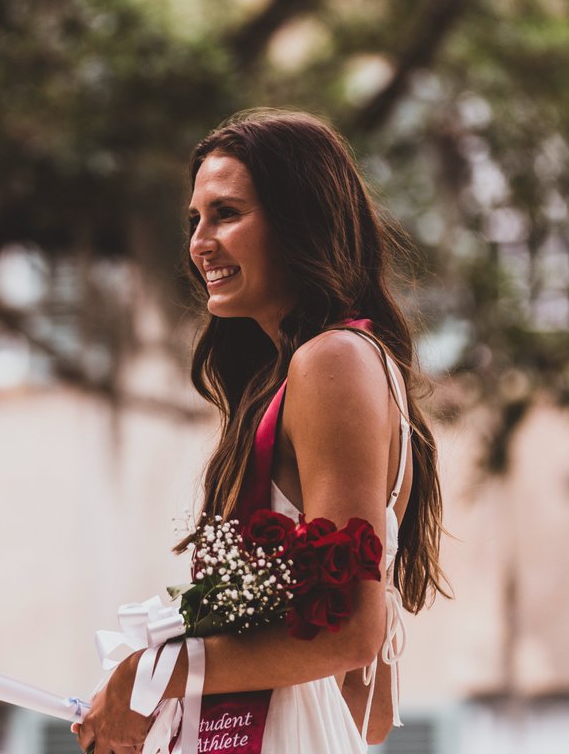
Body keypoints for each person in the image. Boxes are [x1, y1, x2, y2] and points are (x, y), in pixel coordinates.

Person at [74, 109, 450, 753]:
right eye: (195, 220)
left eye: (226, 214)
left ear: (299, 222)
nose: (199, 242)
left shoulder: (332, 362)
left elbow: (350, 636)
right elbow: (371, 706)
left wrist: (147, 677)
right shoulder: (332, 369)